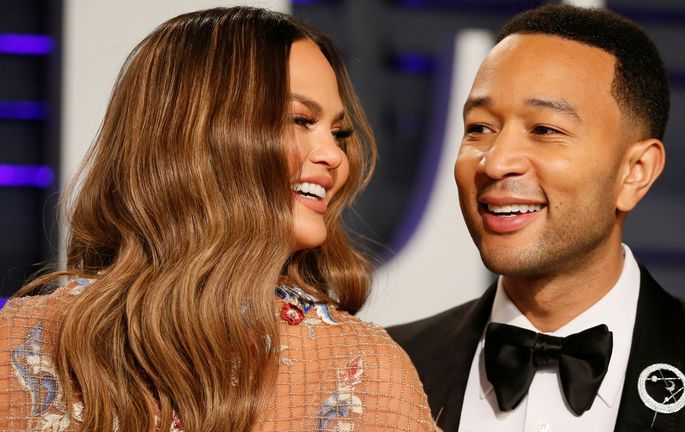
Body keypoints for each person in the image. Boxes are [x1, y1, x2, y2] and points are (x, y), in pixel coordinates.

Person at [0, 7, 438, 432]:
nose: (335, 156)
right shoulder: (25, 340)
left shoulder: (362, 369)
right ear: (199, 139)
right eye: (300, 120)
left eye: (338, 133)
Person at [389, 4, 685, 432]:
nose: (495, 163)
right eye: (479, 128)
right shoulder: (383, 368)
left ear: (634, 172)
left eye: (545, 130)